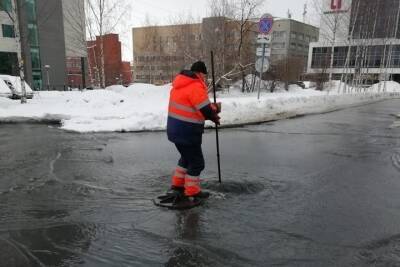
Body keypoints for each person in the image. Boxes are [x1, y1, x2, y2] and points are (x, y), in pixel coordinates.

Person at [167, 61, 221, 200]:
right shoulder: (195, 86)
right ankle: (192, 191)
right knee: (197, 163)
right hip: (188, 132)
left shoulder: (179, 85)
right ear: (200, 73)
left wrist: (211, 111)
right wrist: (214, 112)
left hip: (175, 131)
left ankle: (177, 186)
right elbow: (205, 110)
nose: (205, 78)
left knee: (186, 158)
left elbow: (192, 107)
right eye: (204, 75)